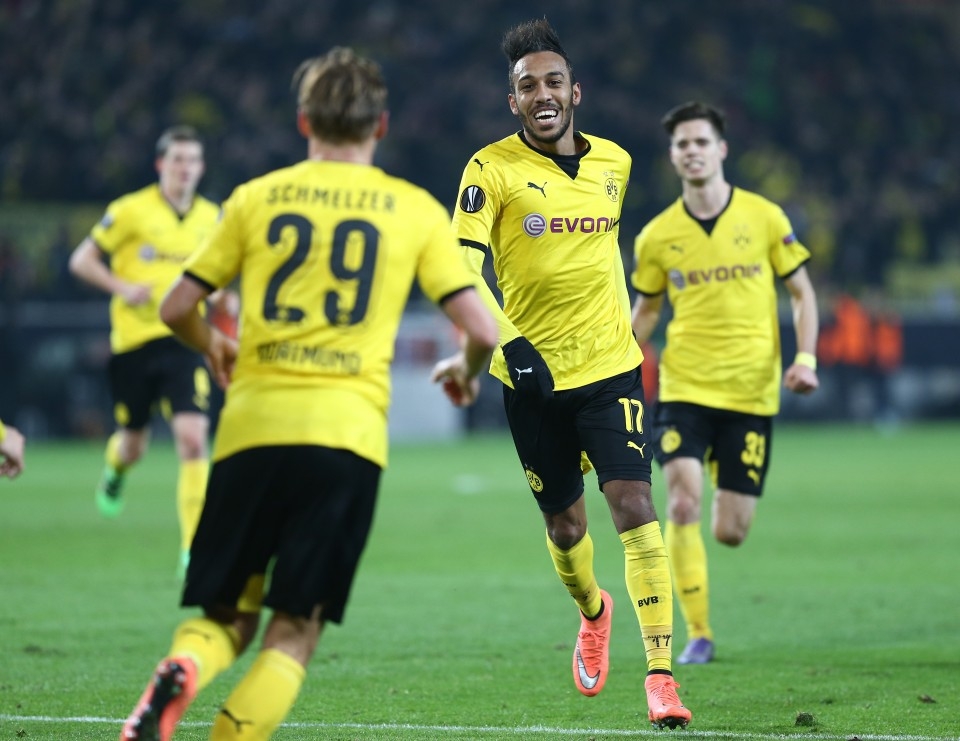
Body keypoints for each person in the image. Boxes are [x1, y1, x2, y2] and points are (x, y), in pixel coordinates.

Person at [118, 46, 498, 741]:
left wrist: (215, 345)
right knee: (295, 629)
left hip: (252, 429)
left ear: (303, 122)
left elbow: (175, 307)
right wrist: (466, 371)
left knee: (225, 616)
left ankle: (184, 665)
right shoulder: (412, 209)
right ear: (381, 125)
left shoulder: (255, 197)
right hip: (345, 440)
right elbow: (482, 329)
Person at [446, 18, 690, 729]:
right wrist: (508, 343)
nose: (543, 94)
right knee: (564, 526)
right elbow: (461, 269)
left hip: (612, 369)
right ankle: (592, 610)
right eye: (529, 86)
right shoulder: (488, 170)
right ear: (513, 101)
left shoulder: (615, 163)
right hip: (531, 379)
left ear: (575, 91)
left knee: (634, 506)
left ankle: (661, 675)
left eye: (554, 81)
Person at [631, 101, 820, 665]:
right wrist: (614, 361)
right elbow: (647, 310)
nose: (691, 151)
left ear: (721, 150)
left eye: (700, 142)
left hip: (749, 392)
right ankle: (698, 633)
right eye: (681, 144)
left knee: (731, 531)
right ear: (672, 157)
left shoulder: (765, 217)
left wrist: (806, 357)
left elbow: (802, 293)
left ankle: (721, 476)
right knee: (681, 500)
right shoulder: (657, 237)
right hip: (684, 387)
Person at [68, 125, 226, 575]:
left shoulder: (213, 218)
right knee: (133, 445)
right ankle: (115, 471)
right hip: (134, 343)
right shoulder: (130, 211)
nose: (185, 168)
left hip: (186, 340)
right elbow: (81, 260)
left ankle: (193, 550)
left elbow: (215, 276)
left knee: (193, 440)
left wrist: (221, 297)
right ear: (161, 164)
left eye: (192, 160)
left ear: (202, 167)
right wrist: (121, 287)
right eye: (177, 159)